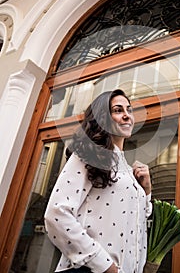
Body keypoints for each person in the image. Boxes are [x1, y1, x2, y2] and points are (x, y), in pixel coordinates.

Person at [44, 89, 152, 273]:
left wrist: (146, 191)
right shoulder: (87, 154)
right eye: (118, 110)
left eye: (129, 110)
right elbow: (56, 214)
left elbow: (138, 219)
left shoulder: (127, 169)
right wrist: (105, 266)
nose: (127, 116)